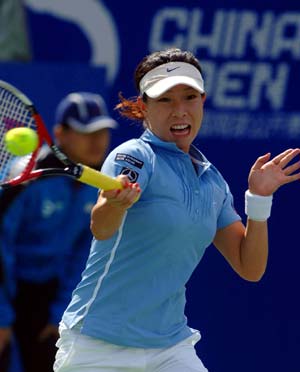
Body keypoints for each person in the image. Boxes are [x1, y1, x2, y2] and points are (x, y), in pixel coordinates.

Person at [53, 48, 300, 372]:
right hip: (99, 345)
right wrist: (115, 203)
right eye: (165, 100)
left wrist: (258, 199)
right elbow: (101, 227)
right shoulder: (133, 156)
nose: (180, 111)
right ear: (144, 107)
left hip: (169, 347)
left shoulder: (212, 181)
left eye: (189, 97)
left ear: (203, 101)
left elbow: (249, 267)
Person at [0, 91, 118, 372]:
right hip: (6, 288)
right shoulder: (26, 178)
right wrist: (2, 317)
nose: (97, 141)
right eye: (86, 132)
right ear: (60, 133)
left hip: (48, 298)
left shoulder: (101, 182)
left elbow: (85, 256)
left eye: (102, 132)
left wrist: (61, 313)